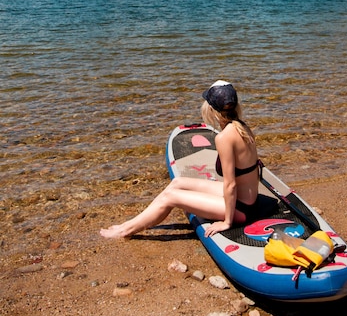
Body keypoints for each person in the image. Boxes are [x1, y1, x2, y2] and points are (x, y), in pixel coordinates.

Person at [100, 81, 260, 239]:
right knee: (178, 183)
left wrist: (227, 222)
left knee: (171, 197)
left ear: (211, 109)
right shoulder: (242, 127)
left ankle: (124, 231)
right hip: (246, 198)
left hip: (241, 209)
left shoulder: (224, 137)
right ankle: (128, 224)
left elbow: (230, 185)